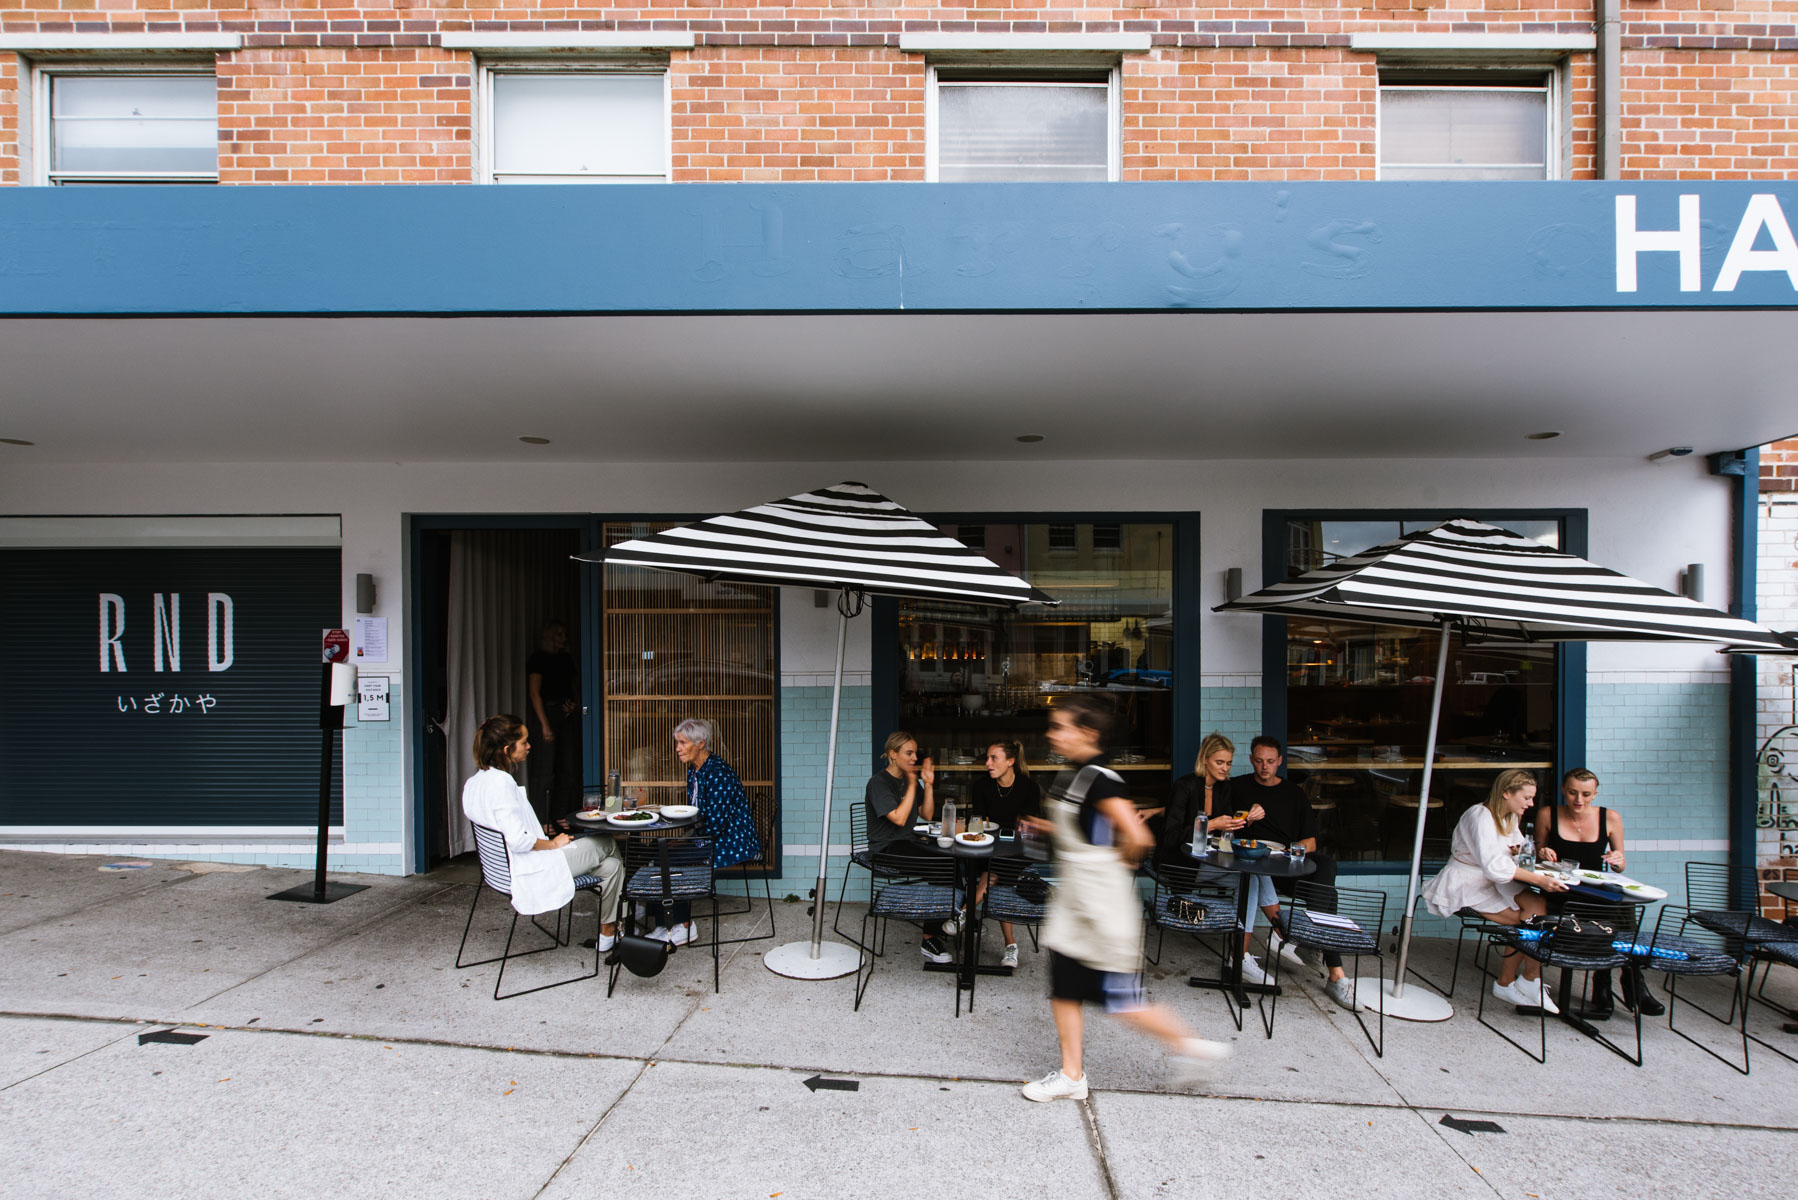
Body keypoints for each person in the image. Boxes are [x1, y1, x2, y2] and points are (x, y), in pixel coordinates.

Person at [1019, 694, 1230, 1103]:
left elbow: (1138, 838)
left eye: (1060, 726)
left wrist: (1099, 868)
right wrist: (1049, 830)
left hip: (1101, 913)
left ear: (1089, 733)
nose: (1052, 734)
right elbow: (1085, 831)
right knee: (1064, 988)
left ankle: (1196, 1049)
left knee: (1123, 1003)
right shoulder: (1075, 776)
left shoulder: (1101, 779)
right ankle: (1071, 1076)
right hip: (1076, 911)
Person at [461, 713, 622, 950]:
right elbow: (517, 840)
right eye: (524, 742)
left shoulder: (475, 782)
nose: (529, 746)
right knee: (605, 842)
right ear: (507, 750)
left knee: (613, 867)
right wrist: (553, 843)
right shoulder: (501, 783)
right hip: (529, 869)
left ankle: (610, 932)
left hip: (501, 871)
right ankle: (623, 915)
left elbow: (502, 829)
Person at [1421, 768, 1570, 1012]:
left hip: (1494, 880)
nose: (1531, 804)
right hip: (1467, 882)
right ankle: (1505, 983)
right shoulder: (1480, 815)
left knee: (1539, 909)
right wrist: (1540, 881)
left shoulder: (1510, 816)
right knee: (1526, 922)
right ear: (1507, 793)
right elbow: (1493, 866)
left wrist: (1535, 852)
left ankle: (1531, 979)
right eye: (1527, 798)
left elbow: (1516, 849)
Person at [1230, 737, 1357, 1011]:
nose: (1265, 767)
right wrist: (1245, 818)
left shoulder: (1294, 794)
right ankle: (1332, 969)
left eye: (1271, 761)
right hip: (1255, 869)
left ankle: (1312, 942)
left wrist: (1291, 850)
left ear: (1280, 762)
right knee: (1328, 898)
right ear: (1252, 760)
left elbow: (1311, 842)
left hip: (1286, 865)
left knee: (1325, 867)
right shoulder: (1237, 787)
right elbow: (1223, 826)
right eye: (1260, 761)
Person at [1533, 767, 1662, 1018]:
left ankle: (1623, 980)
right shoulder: (1548, 814)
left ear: (1595, 794)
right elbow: (1538, 853)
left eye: (1585, 794)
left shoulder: (1610, 817)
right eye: (1572, 793)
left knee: (1623, 906)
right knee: (1614, 913)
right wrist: (1542, 852)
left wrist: (1616, 859)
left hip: (1594, 888)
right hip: (1562, 888)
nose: (1578, 800)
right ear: (1563, 791)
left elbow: (1621, 864)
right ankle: (1616, 984)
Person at [645, 718, 764, 947]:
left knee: (670, 858)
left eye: (682, 743)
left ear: (700, 743)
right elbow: (695, 810)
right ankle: (664, 924)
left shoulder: (718, 772)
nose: (677, 748)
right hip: (708, 833)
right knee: (656, 851)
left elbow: (717, 824)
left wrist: (682, 843)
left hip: (731, 839)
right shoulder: (695, 769)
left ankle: (685, 926)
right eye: (677, 742)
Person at [864, 731, 950, 963]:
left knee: (952, 861)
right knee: (941, 867)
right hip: (885, 849)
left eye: (915, 753)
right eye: (909, 753)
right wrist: (913, 783)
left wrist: (928, 784)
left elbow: (927, 814)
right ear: (893, 755)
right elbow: (900, 819)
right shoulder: (879, 783)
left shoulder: (908, 780)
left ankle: (948, 920)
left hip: (908, 842)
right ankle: (930, 938)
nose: (914, 758)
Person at [968, 739, 1043, 969]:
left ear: (1010, 761)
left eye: (993, 759)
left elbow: (1028, 827)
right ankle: (1010, 946)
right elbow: (978, 823)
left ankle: (964, 913)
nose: (987, 764)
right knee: (993, 875)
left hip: (1019, 853)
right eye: (987, 759)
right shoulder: (981, 786)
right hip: (989, 849)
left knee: (993, 873)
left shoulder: (1029, 788)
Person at [525, 621, 580, 824]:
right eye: (559, 634)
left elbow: (573, 687)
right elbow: (534, 692)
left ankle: (559, 815)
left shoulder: (566, 659)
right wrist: (544, 724)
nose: (563, 638)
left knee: (567, 768)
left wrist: (576, 706)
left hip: (566, 712)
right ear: (549, 637)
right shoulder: (538, 659)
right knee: (545, 770)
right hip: (547, 712)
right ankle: (542, 819)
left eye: (564, 634)